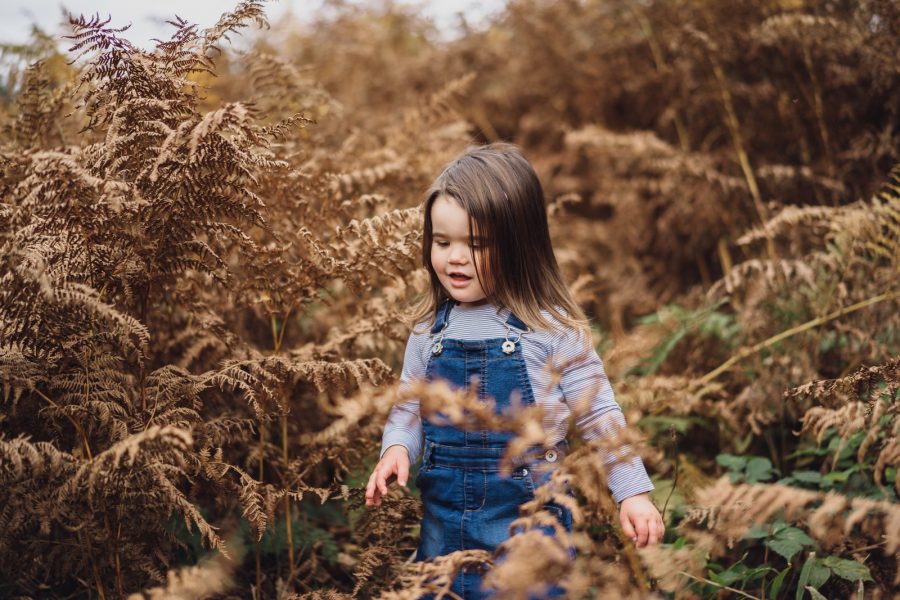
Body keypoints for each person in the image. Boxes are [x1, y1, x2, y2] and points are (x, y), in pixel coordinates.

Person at [365, 142, 664, 599]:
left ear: (519, 246)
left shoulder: (550, 328)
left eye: (476, 244)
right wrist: (397, 449)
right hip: (444, 521)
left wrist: (633, 494)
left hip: (532, 515)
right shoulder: (429, 330)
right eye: (442, 243)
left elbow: (599, 413)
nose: (455, 258)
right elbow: (410, 403)